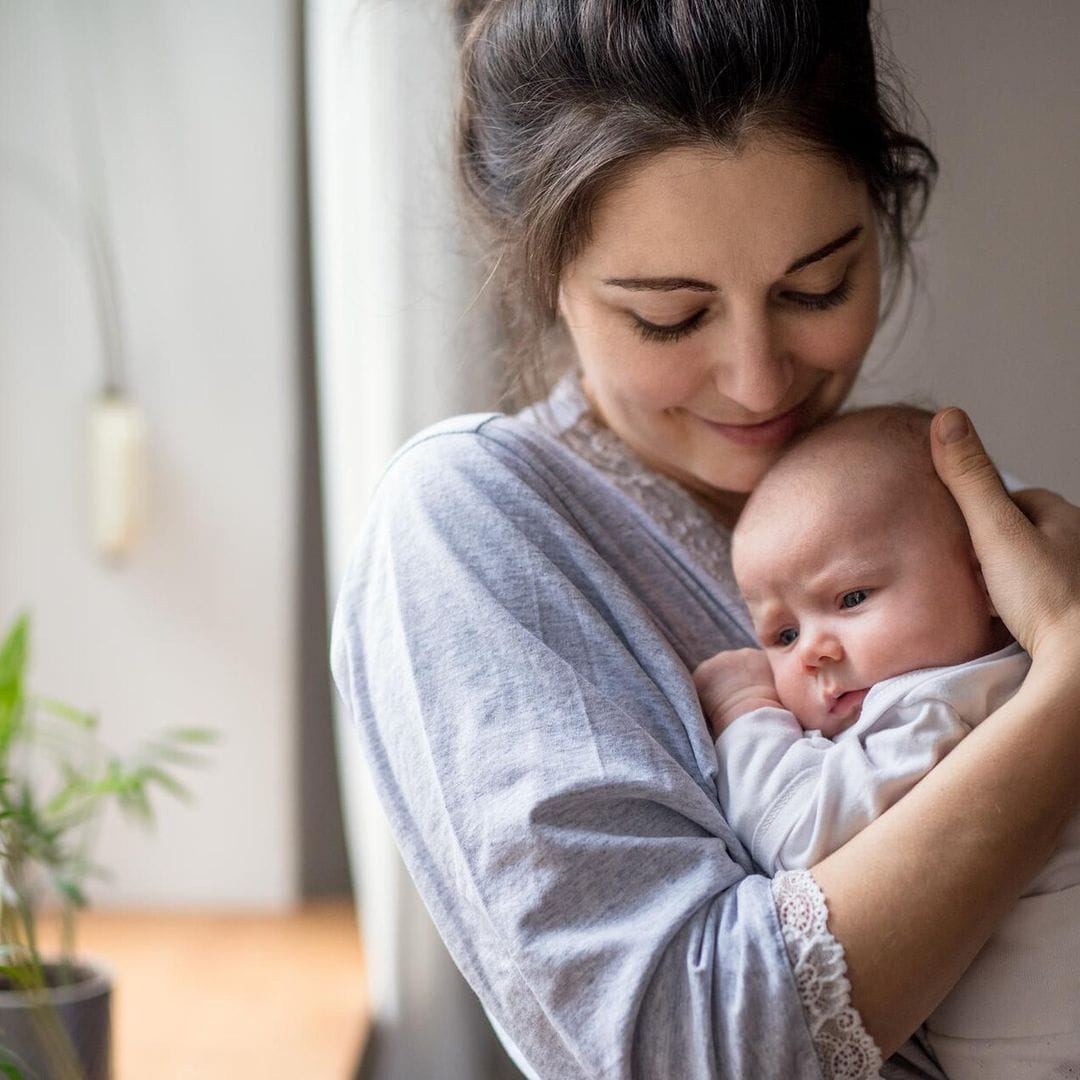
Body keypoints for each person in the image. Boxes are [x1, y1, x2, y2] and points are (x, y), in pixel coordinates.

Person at [330, 2, 1080, 1077]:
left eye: (816, 287)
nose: (759, 379)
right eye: (671, 318)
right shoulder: (466, 527)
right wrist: (1064, 697)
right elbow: (686, 1049)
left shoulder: (928, 486)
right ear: (546, 280)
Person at [695, 405, 1080, 1078]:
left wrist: (747, 712)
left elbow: (800, 834)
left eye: (849, 599)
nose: (812, 650)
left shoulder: (943, 706)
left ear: (988, 574)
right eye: (780, 635)